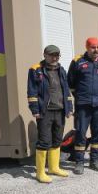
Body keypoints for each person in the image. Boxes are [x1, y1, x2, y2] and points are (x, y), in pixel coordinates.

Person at [27, 45, 73, 183]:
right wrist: (35, 109)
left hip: (60, 110)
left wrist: (69, 107)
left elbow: (66, 90)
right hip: (44, 111)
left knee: (57, 139)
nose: (54, 58)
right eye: (52, 55)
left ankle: (54, 167)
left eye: (57, 55)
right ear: (45, 55)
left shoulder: (62, 70)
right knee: (44, 141)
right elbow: (32, 91)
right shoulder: (35, 70)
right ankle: (40, 173)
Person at [68, 37, 98, 175]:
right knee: (80, 133)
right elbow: (71, 83)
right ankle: (79, 162)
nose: (96, 50)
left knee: (97, 134)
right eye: (93, 47)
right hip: (83, 105)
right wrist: (80, 97)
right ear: (87, 47)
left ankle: (95, 161)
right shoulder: (77, 62)